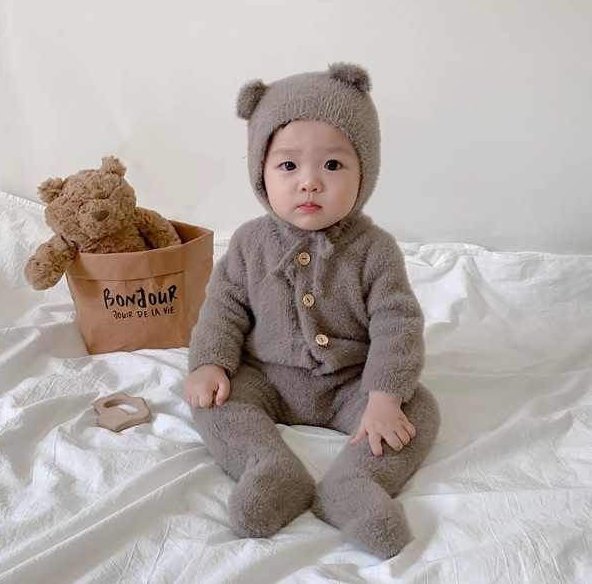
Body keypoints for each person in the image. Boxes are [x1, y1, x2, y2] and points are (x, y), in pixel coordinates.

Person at [183, 63, 440, 559]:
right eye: (288, 166)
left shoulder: (375, 250)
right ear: (260, 172)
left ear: (366, 172)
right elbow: (224, 308)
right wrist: (210, 362)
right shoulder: (249, 243)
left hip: (350, 384)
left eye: (333, 165)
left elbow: (398, 325)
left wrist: (384, 396)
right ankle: (268, 467)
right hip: (267, 378)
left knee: (419, 410)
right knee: (209, 399)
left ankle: (355, 483)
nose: (309, 183)